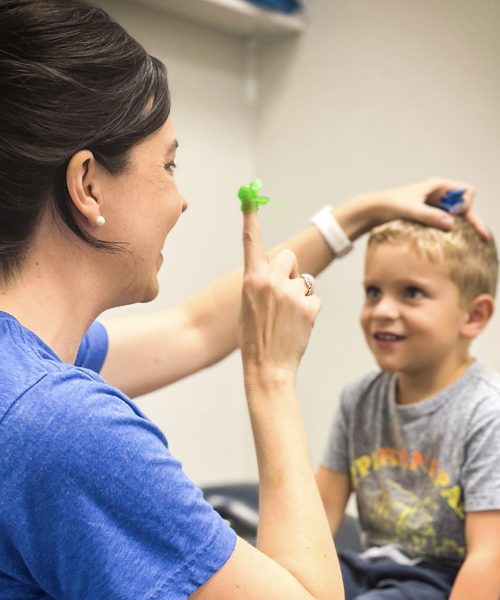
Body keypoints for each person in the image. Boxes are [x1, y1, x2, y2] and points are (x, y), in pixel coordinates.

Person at [0, 1, 485, 598]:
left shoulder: (23, 369)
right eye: (169, 165)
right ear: (87, 184)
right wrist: (272, 372)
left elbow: (195, 329)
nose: (182, 201)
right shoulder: (62, 425)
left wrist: (354, 217)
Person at [317, 216, 500, 599]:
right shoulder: (359, 399)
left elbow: (488, 557)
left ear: (474, 316)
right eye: (372, 291)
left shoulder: (486, 413)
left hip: (444, 580)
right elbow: (318, 515)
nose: (382, 310)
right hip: (372, 566)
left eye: (412, 292)